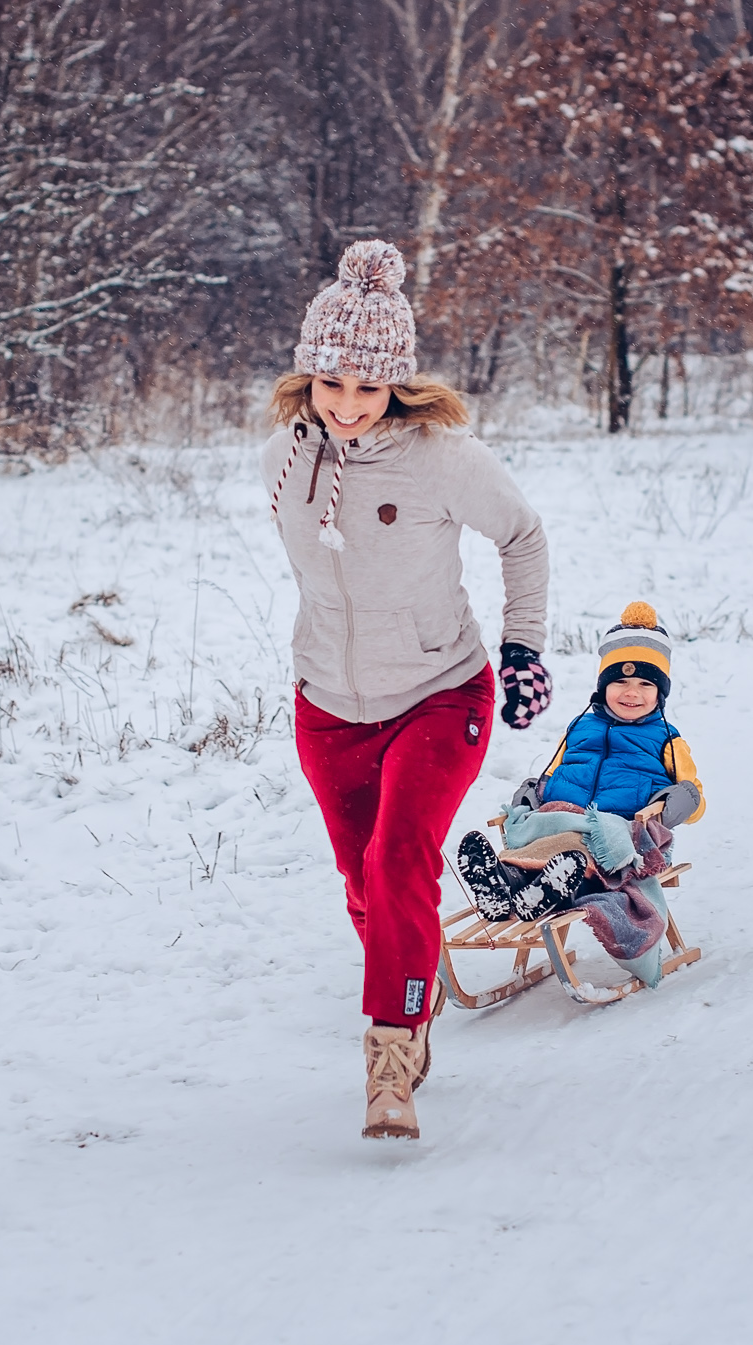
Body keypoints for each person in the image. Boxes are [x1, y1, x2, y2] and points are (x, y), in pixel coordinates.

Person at [266, 240, 551, 1141]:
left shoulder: (442, 456)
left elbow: (524, 535)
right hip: (328, 704)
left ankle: (391, 1055)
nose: (347, 406)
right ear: (310, 376)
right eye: (331, 384)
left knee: (398, 863)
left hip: (438, 692)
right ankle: (412, 991)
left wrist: (522, 650)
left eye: (367, 387)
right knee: (364, 882)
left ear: (397, 383)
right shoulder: (282, 456)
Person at [454, 602, 705, 981]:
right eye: (620, 682)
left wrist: (676, 802)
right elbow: (553, 773)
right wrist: (531, 796)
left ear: (660, 693)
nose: (631, 693)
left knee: (576, 842)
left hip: (614, 832)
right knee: (548, 829)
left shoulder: (666, 740)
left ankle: (533, 885)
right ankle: (510, 885)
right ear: (603, 686)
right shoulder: (579, 729)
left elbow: (694, 795)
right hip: (560, 817)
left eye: (645, 684)